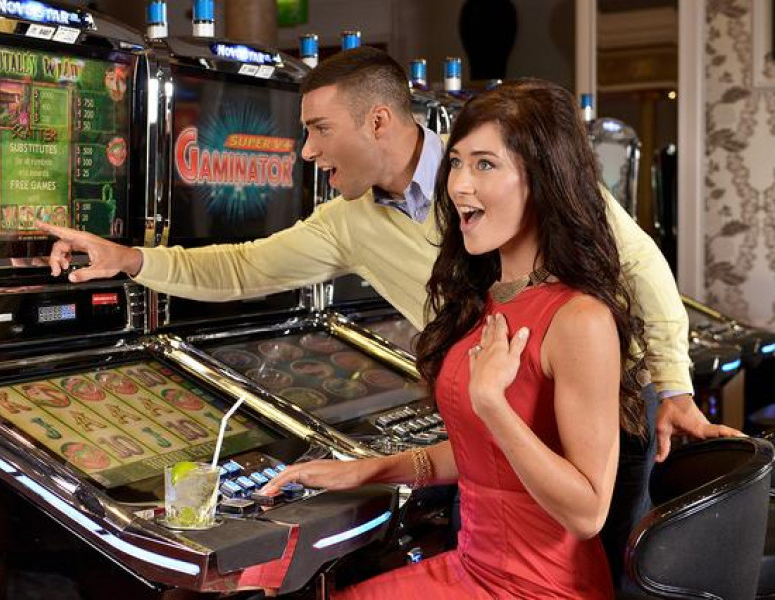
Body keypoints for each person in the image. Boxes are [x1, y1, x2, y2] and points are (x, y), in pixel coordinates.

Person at [38, 46, 739, 585]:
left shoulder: (517, 178)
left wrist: (674, 387)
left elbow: (639, 266)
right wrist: (129, 258)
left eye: (318, 129)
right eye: (460, 167)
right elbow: (244, 268)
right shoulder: (356, 224)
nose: (307, 151)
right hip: (494, 418)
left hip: (595, 402)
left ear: (378, 120)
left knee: (600, 573)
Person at [262, 79, 640, 597]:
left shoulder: (580, 319)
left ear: (542, 180)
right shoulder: (487, 299)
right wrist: (369, 470)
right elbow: (481, 454)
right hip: (473, 568)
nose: (459, 185)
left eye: (485, 165)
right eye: (456, 162)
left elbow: (588, 511)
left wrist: (493, 405)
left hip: (538, 588)